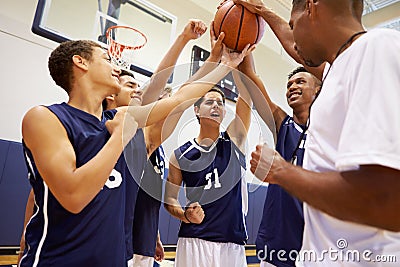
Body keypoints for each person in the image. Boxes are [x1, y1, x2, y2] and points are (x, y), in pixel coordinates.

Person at [19, 29, 253, 266]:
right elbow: (74, 196)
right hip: (57, 259)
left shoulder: (124, 118)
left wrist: (223, 64)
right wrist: (120, 136)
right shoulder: (44, 117)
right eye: (107, 58)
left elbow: (179, 99)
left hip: (115, 258)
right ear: (80, 62)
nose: (117, 67)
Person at [245, 0, 400, 266]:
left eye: (293, 25)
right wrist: (261, 11)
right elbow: (295, 47)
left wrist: (281, 171)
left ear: (311, 7)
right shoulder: (339, 67)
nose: (293, 39)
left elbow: (386, 201)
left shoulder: (377, 47)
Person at [164, 52, 256, 266]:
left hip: (232, 241)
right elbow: (170, 200)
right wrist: (185, 215)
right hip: (194, 239)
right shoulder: (180, 155)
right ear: (196, 110)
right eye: (210, 102)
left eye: (221, 103)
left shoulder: (234, 141)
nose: (216, 106)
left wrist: (243, 56)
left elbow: (246, 99)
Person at [243, 62, 321, 267]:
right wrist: (244, 47)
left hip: (315, 246)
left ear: (318, 90)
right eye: (289, 85)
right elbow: (251, 78)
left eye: (300, 82)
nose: (292, 87)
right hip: (276, 246)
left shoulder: (328, 134)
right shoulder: (283, 125)